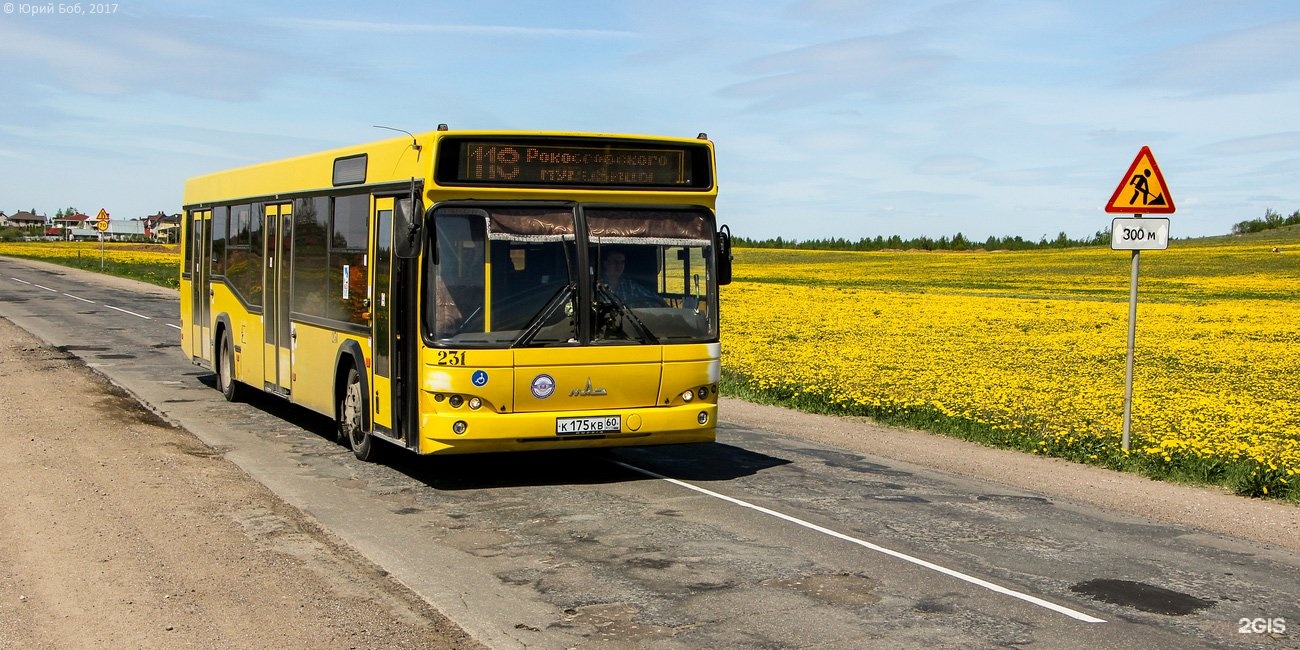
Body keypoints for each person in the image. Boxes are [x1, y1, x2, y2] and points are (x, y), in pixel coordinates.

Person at [599, 249, 664, 308]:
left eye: (622, 262)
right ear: (606, 263)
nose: (619, 266)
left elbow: (656, 300)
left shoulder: (630, 286)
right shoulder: (597, 286)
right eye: (615, 262)